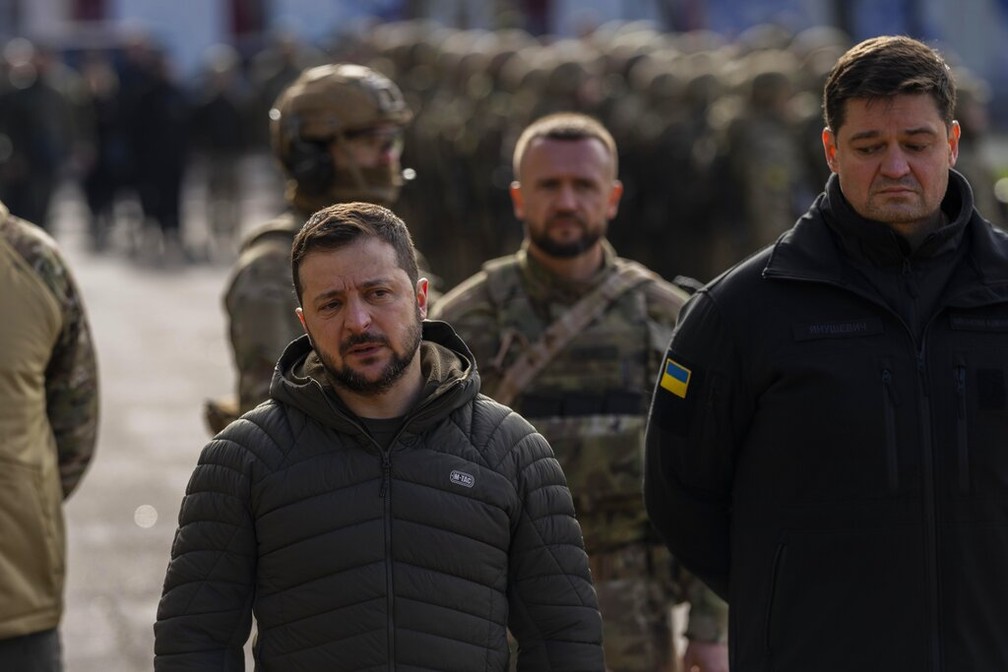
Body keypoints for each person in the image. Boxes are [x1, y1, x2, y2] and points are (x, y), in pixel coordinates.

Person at [643, 35, 1008, 671]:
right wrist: (784, 593)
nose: (895, 167)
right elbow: (681, 494)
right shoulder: (742, 311)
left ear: (951, 143)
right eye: (869, 147)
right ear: (831, 150)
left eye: (916, 144)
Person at [154, 201, 605, 671]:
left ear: (421, 298)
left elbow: (564, 639)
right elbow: (193, 643)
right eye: (331, 304)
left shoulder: (512, 451)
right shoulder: (241, 459)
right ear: (305, 322)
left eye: (378, 293)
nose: (358, 321)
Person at [430, 112, 728, 672]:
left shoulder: (669, 320)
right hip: (502, 615)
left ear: (612, 198)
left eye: (584, 186)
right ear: (519, 198)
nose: (567, 202)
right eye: (549, 185)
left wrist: (711, 629)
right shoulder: (463, 324)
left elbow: (714, 475)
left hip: (635, 617)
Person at [206, 62, 418, 433]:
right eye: (372, 143)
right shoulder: (273, 268)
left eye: (392, 143)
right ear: (313, 158)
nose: (388, 159)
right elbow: (274, 427)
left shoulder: (382, 245)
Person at [0, 201, 99, 671]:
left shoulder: (33, 261)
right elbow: (74, 424)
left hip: (14, 598)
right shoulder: (32, 257)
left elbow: (74, 420)